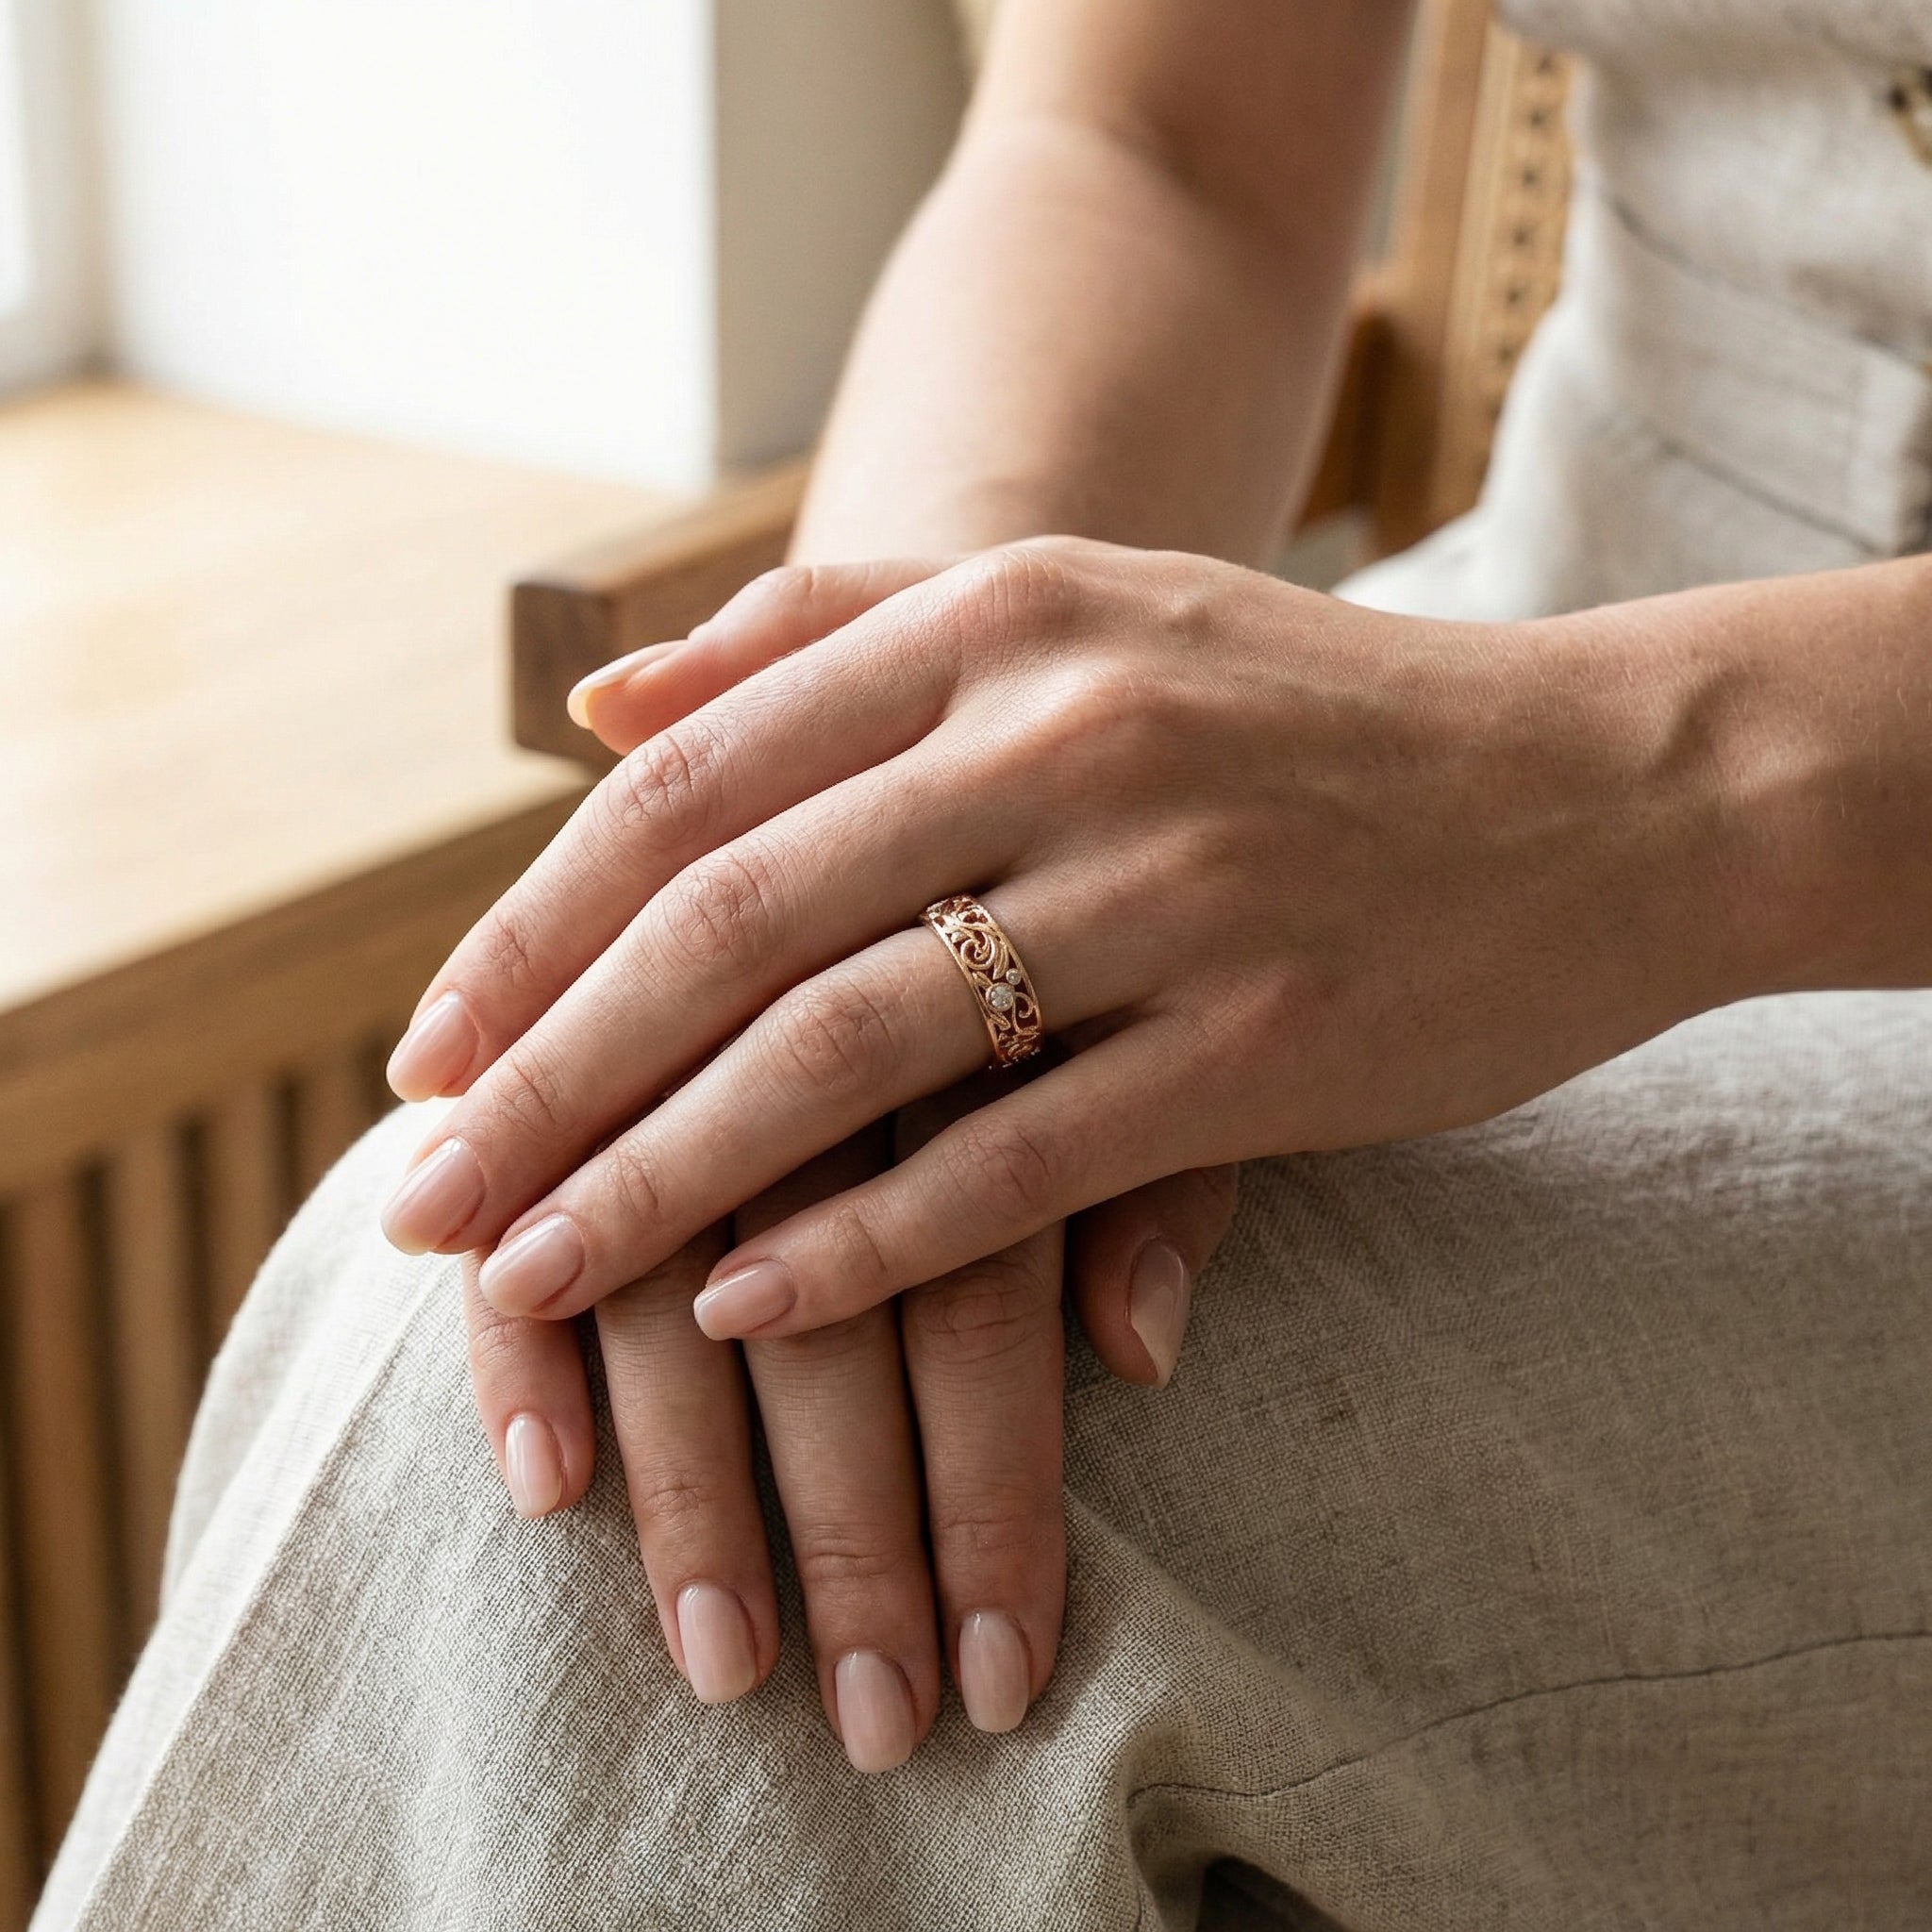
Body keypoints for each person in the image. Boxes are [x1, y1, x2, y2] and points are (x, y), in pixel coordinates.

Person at [36, 1, 1932, 1926]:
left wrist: (1622, 790)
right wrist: (911, 824)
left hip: (1704, 788)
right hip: (1498, 669)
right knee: (592, 1292)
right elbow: (1151, 142)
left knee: (763, 1532)